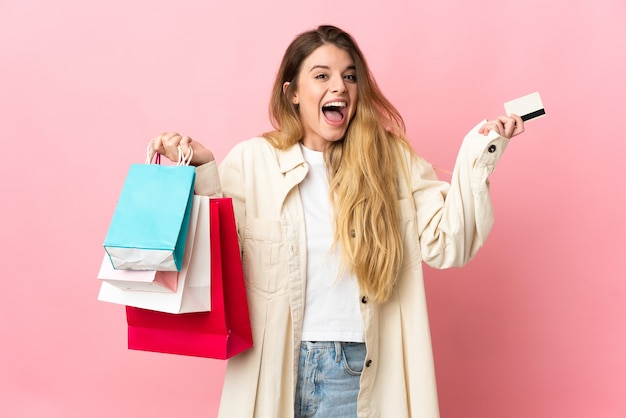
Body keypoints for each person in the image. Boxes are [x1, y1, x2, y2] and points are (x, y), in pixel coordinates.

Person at [152, 25, 524, 418]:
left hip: (353, 372)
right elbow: (221, 258)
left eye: (349, 76)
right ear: (292, 92)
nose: (340, 87)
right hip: (273, 367)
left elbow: (449, 243)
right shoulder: (252, 161)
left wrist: (478, 155)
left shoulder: (390, 161)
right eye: (322, 75)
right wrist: (203, 170)